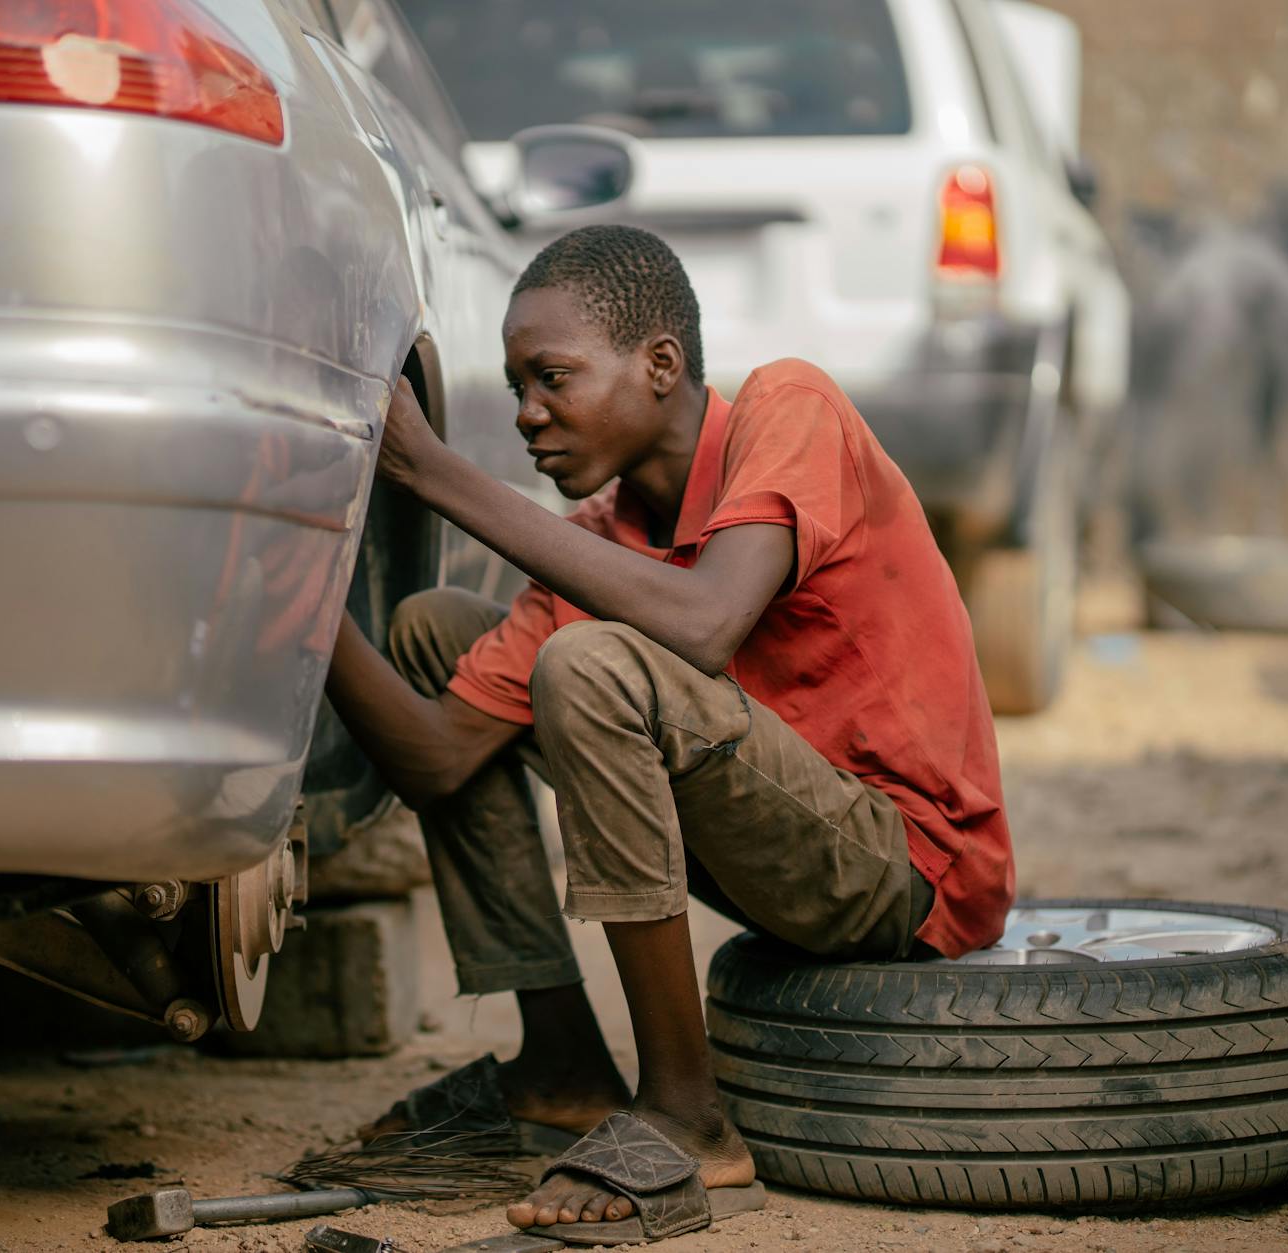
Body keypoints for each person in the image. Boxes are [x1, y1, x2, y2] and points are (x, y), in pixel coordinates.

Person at [323, 225, 1013, 1244]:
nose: (525, 415)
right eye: (514, 387)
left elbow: (703, 619)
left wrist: (433, 472)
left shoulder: (789, 409)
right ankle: (560, 1063)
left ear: (659, 364)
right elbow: (435, 755)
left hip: (904, 867)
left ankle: (686, 1114)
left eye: (551, 377)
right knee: (435, 631)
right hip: (773, 855)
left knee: (592, 662)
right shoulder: (601, 540)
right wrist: (302, 602)